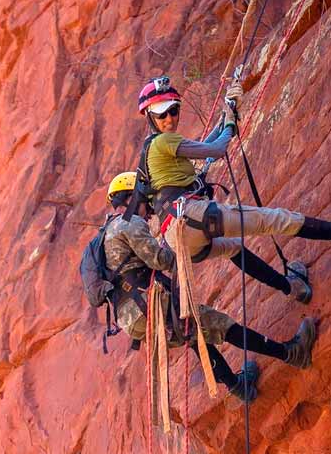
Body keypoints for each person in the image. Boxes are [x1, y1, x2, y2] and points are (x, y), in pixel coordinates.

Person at [134, 76, 331, 304]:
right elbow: (218, 150)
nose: (169, 118)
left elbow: (202, 147)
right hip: (192, 218)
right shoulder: (165, 141)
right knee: (277, 220)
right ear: (150, 118)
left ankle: (295, 289)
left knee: (234, 248)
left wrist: (226, 114)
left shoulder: (151, 149)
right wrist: (230, 124)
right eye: (161, 114)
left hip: (177, 239)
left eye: (173, 110)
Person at [103, 172, 317, 403]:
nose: (149, 209)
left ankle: (238, 388)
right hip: (147, 308)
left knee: (195, 335)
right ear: (132, 197)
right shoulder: (130, 222)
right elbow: (160, 260)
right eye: (144, 198)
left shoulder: (106, 232)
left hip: (130, 319)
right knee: (220, 325)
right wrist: (178, 240)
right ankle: (292, 353)